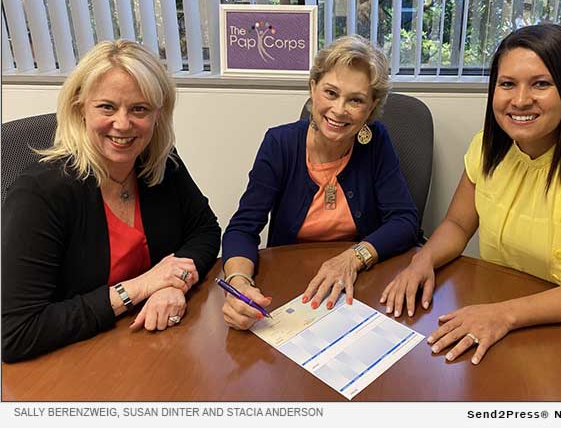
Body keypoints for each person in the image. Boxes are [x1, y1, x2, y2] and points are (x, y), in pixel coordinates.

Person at [381, 24, 561, 364]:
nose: (521, 99)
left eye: (541, 84)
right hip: (511, 314)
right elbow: (456, 223)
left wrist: (503, 315)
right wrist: (421, 262)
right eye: (507, 84)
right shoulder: (487, 147)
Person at [1, 40, 221, 363]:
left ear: (158, 114)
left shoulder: (160, 163)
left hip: (148, 349)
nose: (122, 124)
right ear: (81, 108)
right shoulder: (40, 194)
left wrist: (174, 284)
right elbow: (17, 333)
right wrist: (142, 287)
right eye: (107, 107)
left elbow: (205, 230)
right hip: (71, 365)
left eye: (139, 109)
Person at [221, 34, 418, 330]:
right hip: (292, 288)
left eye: (356, 100)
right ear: (313, 88)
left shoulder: (377, 142)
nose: (339, 110)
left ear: (371, 106)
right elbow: (242, 227)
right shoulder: (280, 143)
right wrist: (238, 282)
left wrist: (353, 258)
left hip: (361, 284)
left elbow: (405, 220)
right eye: (331, 93)